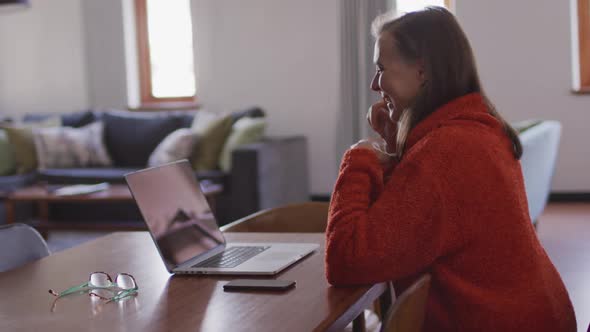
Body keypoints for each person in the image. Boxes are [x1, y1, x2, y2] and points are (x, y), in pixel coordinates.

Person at [325, 7, 576, 332]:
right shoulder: (475, 131)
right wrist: (396, 147)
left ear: (422, 70)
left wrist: (360, 158)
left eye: (381, 68)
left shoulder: (444, 152)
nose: (375, 84)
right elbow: (412, 224)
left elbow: (347, 259)